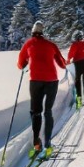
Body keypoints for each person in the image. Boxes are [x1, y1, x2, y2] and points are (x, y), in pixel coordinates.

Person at [17, 21, 67, 159]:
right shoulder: (51, 45)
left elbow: (20, 65)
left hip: (35, 81)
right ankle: (48, 144)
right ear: (43, 32)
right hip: (51, 81)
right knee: (48, 111)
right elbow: (62, 64)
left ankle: (36, 144)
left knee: (36, 112)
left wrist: (27, 61)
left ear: (33, 32)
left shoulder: (28, 44)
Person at [66, 30, 84, 109]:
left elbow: (70, 55)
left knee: (77, 82)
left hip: (78, 64)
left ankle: (79, 103)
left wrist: (67, 62)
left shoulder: (74, 44)